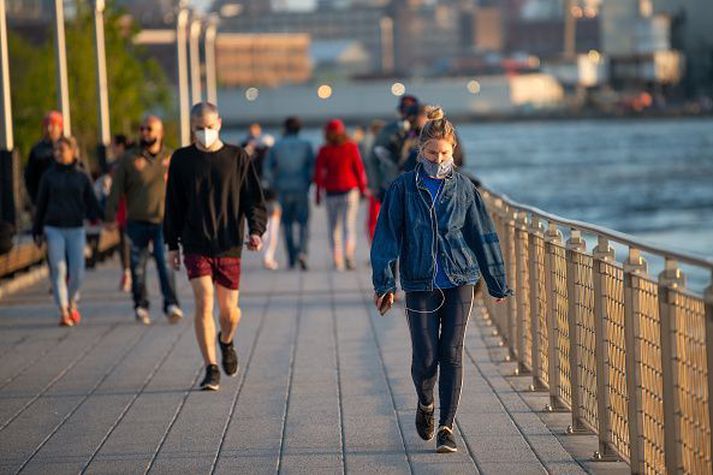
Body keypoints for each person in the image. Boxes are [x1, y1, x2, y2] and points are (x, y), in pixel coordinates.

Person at [371, 106, 511, 453]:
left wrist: (496, 281)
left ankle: (447, 427)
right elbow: (386, 237)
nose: (438, 158)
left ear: (453, 151)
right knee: (425, 358)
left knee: (451, 352)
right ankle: (425, 403)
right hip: (419, 282)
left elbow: (483, 235)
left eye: (444, 153)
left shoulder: (464, 188)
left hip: (460, 278)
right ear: (420, 151)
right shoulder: (403, 188)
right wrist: (385, 283)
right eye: (432, 153)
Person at [164, 102, 266, 391]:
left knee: (230, 313)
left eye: (208, 127)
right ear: (191, 127)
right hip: (195, 242)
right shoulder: (181, 159)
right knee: (204, 300)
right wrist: (172, 244)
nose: (204, 132)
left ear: (219, 123)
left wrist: (256, 231)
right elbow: (173, 205)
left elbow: (253, 199)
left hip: (229, 243)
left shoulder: (237, 157)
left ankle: (226, 340)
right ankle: (211, 368)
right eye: (198, 128)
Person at [105, 116, 183, 325]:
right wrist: (109, 215)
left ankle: (171, 304)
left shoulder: (171, 157)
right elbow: (116, 189)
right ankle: (140, 305)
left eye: (149, 129)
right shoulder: (129, 159)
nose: (145, 133)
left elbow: (183, 190)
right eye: (141, 129)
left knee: (163, 265)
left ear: (160, 132)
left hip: (163, 222)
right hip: (136, 221)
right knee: (137, 267)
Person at [32, 136, 103, 326]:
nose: (57, 154)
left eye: (62, 150)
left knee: (78, 272)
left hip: (76, 228)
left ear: (73, 152)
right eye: (56, 150)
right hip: (53, 227)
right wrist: (37, 231)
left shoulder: (81, 176)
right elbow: (41, 204)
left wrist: (106, 219)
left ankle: (71, 301)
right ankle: (63, 309)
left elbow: (92, 203)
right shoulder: (48, 176)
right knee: (58, 268)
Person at [314, 119, 368, 271]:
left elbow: (318, 174)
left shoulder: (324, 150)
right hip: (350, 191)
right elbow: (359, 169)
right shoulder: (351, 147)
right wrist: (363, 189)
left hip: (331, 192)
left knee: (333, 228)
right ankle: (349, 256)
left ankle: (337, 259)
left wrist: (318, 193)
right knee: (349, 226)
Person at [263, 116, 314, 270]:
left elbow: (267, 168)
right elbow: (312, 166)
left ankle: (291, 257)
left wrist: (274, 183)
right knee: (303, 223)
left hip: (283, 188)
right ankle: (303, 252)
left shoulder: (276, 146)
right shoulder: (306, 145)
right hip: (301, 187)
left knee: (287, 224)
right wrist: (308, 182)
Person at [241, 123, 280, 270]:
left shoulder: (248, 150)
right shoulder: (248, 149)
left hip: (263, 195)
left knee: (269, 227)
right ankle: (267, 255)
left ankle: (267, 255)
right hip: (266, 194)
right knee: (270, 228)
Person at [109, 134, 134, 292]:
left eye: (113, 145)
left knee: (126, 241)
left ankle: (129, 272)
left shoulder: (125, 163)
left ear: (120, 146)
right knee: (125, 241)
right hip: (124, 207)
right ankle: (128, 272)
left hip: (130, 207)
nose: (111, 149)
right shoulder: (117, 164)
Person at [24, 111, 64, 206]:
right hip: (45, 201)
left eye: (53, 125)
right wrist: (36, 199)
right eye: (46, 126)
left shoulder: (67, 147)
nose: (49, 129)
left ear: (60, 127)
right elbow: (30, 178)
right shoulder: (37, 150)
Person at [361, 119, 385, 243]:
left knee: (372, 218)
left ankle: (374, 245)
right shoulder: (386, 145)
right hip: (385, 185)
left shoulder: (367, 145)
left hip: (372, 186)